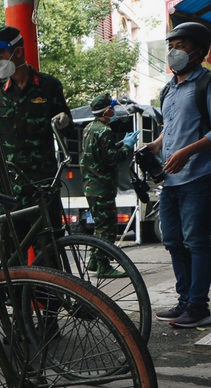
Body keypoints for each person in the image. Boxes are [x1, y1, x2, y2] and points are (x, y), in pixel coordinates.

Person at [0, 26, 73, 238]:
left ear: (17, 52)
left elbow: (68, 128)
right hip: (7, 189)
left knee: (50, 253)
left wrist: (65, 121)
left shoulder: (49, 87)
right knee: (9, 256)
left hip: (42, 186)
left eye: (0, 56)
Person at [148, 22, 211, 328]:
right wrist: (156, 144)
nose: (173, 51)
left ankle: (199, 306)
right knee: (173, 241)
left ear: (199, 50)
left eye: (181, 45)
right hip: (170, 179)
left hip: (198, 176)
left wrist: (187, 151)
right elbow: (170, 127)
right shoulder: (168, 88)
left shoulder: (206, 84)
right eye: (171, 45)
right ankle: (184, 300)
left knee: (196, 242)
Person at [80, 93, 140, 278]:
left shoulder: (89, 128)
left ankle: (94, 260)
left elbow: (101, 152)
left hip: (91, 186)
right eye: (112, 108)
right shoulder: (105, 131)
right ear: (107, 111)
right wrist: (128, 147)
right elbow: (112, 159)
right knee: (107, 228)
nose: (113, 112)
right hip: (102, 186)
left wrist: (122, 142)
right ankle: (103, 265)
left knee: (99, 225)